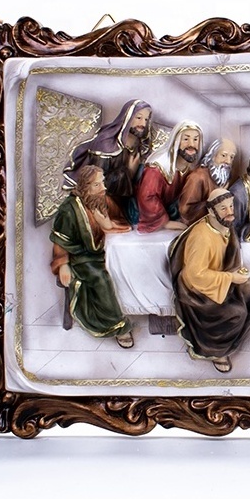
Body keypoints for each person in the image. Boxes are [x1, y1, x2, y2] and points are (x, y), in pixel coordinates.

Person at [169, 189, 250, 373]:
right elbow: (194, 275)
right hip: (197, 292)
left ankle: (232, 341)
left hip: (217, 281)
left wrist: (234, 274)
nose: (230, 212)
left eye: (231, 206)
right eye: (223, 208)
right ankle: (216, 351)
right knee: (237, 313)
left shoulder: (224, 225)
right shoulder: (202, 237)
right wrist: (231, 277)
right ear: (211, 211)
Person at [50, 165, 134, 348]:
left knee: (129, 266)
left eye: (102, 182)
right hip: (81, 257)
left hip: (104, 252)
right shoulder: (69, 209)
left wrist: (107, 224)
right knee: (100, 278)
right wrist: (63, 265)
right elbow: (60, 241)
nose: (103, 188)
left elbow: (123, 222)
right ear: (85, 187)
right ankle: (118, 327)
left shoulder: (103, 200)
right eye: (97, 185)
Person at [63, 99, 153, 226]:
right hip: (102, 199)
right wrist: (129, 172)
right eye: (138, 118)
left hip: (126, 199)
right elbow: (96, 182)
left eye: (146, 119)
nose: (142, 124)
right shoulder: (106, 143)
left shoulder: (140, 145)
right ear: (127, 117)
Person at [136, 120, 203, 232]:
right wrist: (165, 222)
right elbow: (147, 197)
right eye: (186, 139)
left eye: (195, 139)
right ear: (176, 141)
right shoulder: (157, 168)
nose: (191, 144)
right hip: (147, 215)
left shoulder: (192, 168)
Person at [178, 137, 237, 227]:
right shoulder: (198, 177)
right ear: (213, 155)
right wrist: (214, 203)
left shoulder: (227, 176)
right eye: (223, 155)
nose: (228, 161)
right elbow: (185, 210)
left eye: (231, 157)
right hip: (199, 226)